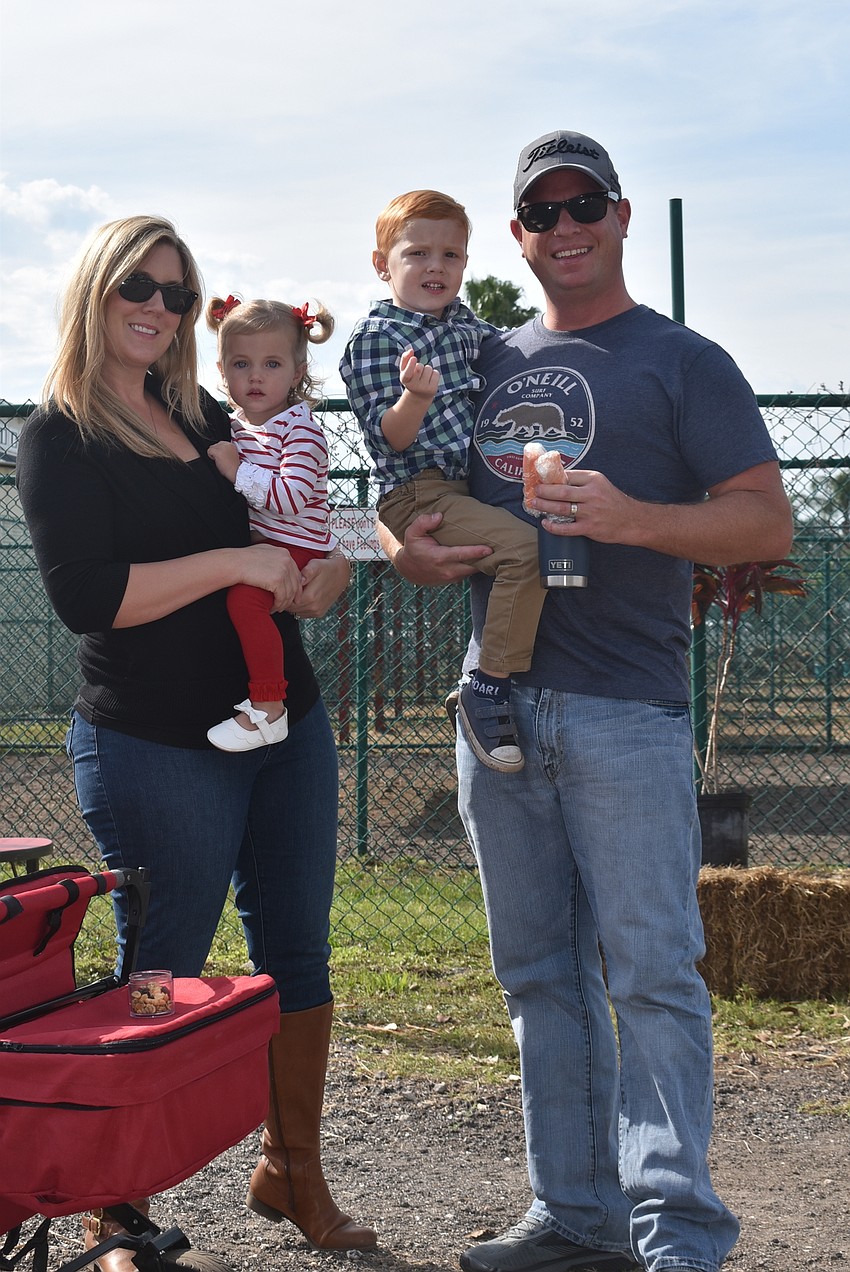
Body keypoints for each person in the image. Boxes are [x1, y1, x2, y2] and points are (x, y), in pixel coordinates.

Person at [378, 132, 793, 1272]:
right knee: (536, 978)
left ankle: (679, 1238)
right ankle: (576, 1216)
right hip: (497, 708)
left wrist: (635, 519)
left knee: (652, 978)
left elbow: (765, 522)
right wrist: (405, 552)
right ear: (516, 236)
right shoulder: (477, 355)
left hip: (625, 710)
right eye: (541, 213)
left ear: (616, 216)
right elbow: (405, 485)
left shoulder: (682, 361)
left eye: (584, 206)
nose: (565, 228)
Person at [15, 215, 376, 1263]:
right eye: (140, 284)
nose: (157, 307)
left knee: (297, 953)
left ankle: (292, 1170)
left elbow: (312, 520)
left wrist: (330, 569)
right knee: (161, 962)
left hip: (285, 726)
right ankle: (116, 1210)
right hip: (156, 743)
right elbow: (89, 598)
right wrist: (236, 570)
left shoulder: (206, 404)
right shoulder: (59, 434)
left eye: (177, 293)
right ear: (96, 288)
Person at [340, 189, 545, 774]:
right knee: (527, 551)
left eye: (452, 255)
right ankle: (486, 688)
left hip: (463, 489)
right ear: (383, 265)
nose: (436, 267)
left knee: (548, 541)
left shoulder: (463, 325)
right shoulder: (377, 338)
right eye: (418, 253)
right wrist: (416, 395)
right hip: (419, 493)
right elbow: (391, 438)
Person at [205, 294, 337, 752]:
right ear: (222, 371)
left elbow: (292, 496)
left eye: (272, 364)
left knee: (245, 604)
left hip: (295, 544)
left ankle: (269, 708)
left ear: (297, 372)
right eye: (241, 363)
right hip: (270, 543)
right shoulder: (237, 425)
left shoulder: (300, 429)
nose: (256, 376)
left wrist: (235, 469)